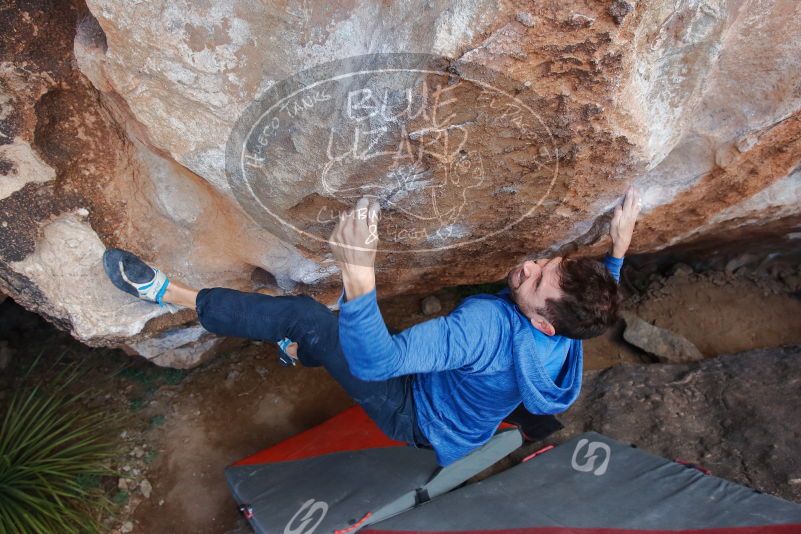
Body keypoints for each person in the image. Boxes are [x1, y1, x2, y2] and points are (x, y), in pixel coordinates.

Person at [103, 188, 641, 466]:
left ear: (544, 324)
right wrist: (618, 249)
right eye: (548, 263)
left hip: (410, 411)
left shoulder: (483, 328)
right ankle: (300, 351)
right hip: (454, 417)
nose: (528, 266)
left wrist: (358, 271)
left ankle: (165, 294)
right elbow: (591, 300)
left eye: (536, 281)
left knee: (307, 318)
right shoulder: (572, 331)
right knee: (330, 335)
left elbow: (378, 363)